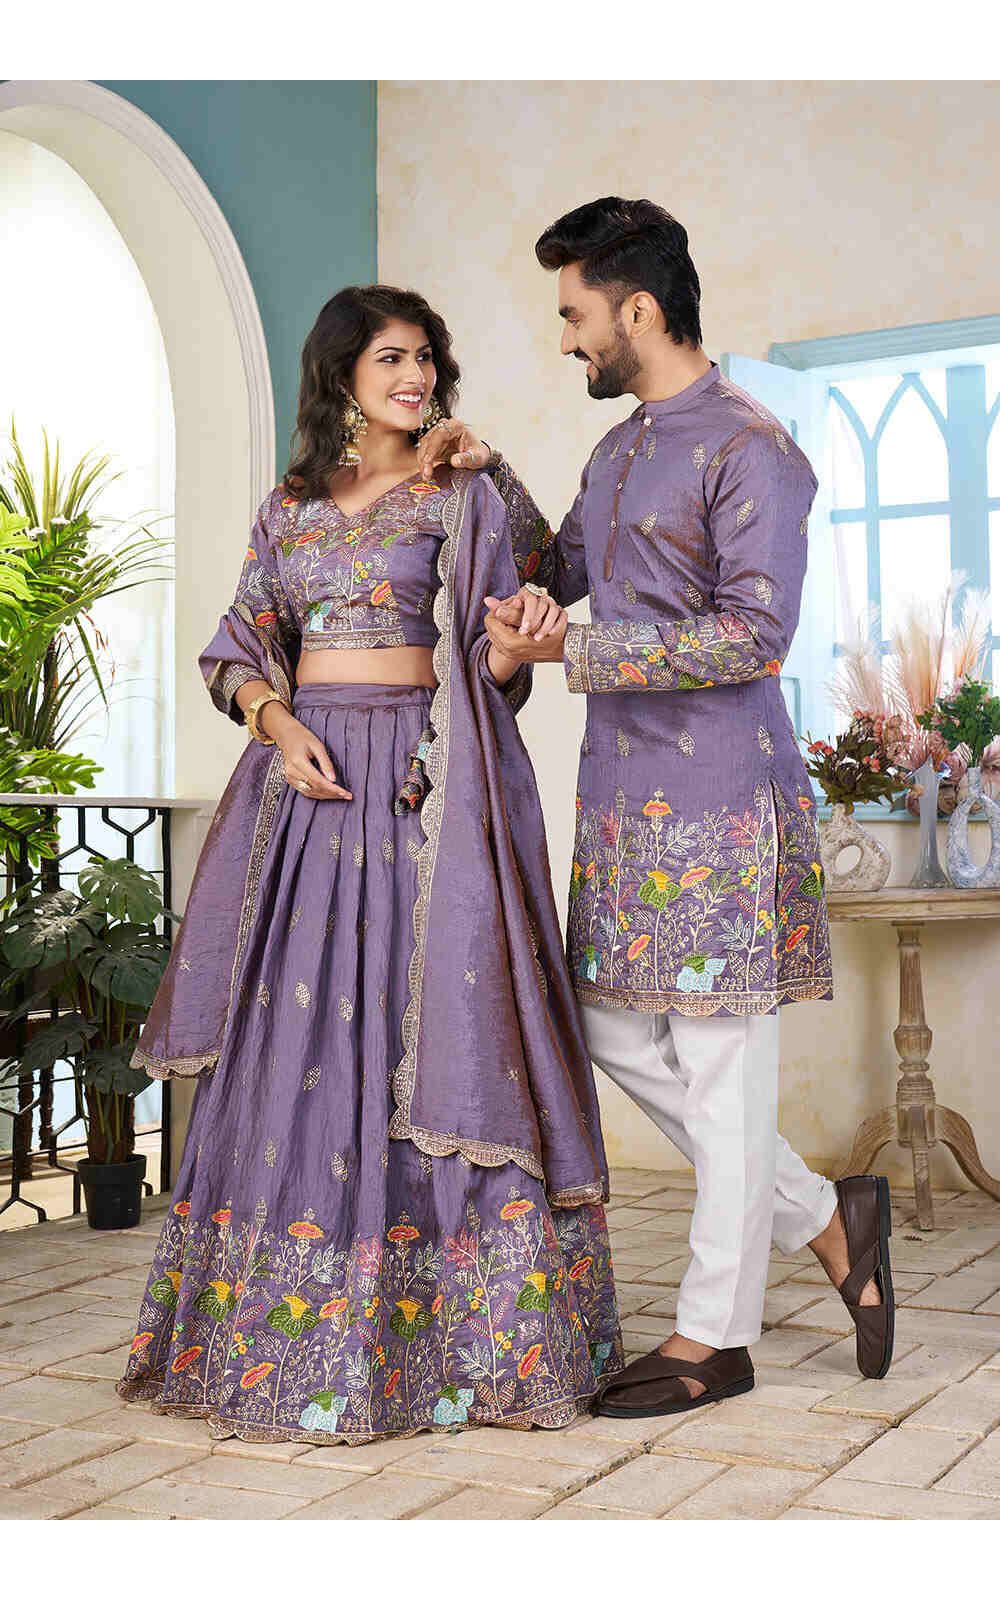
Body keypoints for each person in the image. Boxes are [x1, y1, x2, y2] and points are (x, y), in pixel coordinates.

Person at [116, 284, 624, 1447]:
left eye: (426, 358)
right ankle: (290, 1340)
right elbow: (241, 639)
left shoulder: (458, 491)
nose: (413, 376)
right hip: (309, 790)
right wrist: (272, 721)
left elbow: (528, 601)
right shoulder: (290, 509)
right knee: (308, 1045)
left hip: (426, 788)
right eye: (390, 357)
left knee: (435, 1032)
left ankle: (466, 1344)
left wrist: (489, 469)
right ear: (341, 372)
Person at [417, 198, 894, 1419]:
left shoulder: (752, 447)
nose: (566, 338)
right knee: (602, 1028)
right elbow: (559, 564)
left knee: (728, 1069)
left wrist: (569, 652)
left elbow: (753, 634)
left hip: (726, 806)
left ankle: (713, 1335)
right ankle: (825, 1215)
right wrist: (489, 477)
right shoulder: (622, 448)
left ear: (637, 308)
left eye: (575, 314)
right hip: (626, 807)